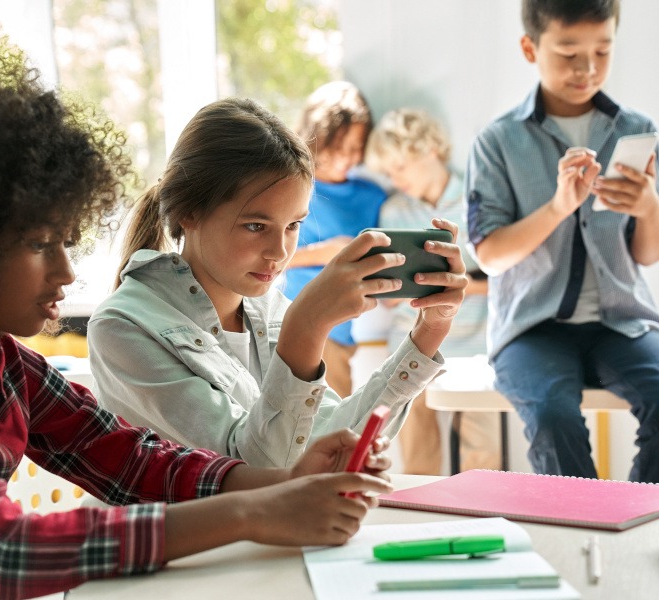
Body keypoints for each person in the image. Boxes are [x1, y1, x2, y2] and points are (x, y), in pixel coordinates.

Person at [0, 29, 398, 599]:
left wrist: (283, 484)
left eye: (67, 241)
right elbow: (5, 549)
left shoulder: (7, 365)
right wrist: (253, 512)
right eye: (41, 243)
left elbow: (132, 462)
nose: (67, 272)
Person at [87, 95, 470, 469]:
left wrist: (429, 331)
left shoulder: (266, 307)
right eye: (256, 226)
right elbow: (259, 473)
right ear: (189, 211)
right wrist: (306, 327)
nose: (279, 252)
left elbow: (332, 441)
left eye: (293, 226)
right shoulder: (123, 328)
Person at [466, 0, 659, 482]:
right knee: (553, 417)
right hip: (533, 327)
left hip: (623, 320)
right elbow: (488, 256)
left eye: (602, 50)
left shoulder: (638, 131)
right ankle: (581, 531)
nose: (588, 68)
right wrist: (558, 207)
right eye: (569, 52)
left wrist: (650, 208)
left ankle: (633, 529)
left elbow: (646, 255)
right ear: (530, 48)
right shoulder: (499, 141)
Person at [363, 107, 500, 474]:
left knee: (482, 449)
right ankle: (421, 515)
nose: (395, 178)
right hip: (411, 341)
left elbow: (504, 275)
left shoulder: (479, 201)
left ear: (431, 151)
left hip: (475, 346)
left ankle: (479, 517)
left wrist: (460, 286)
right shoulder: (394, 211)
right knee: (415, 445)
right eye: (388, 171)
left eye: (400, 167)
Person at [280, 81, 388, 397]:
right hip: (292, 321)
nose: (347, 157)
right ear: (317, 137)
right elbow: (268, 258)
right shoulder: (292, 186)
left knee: (331, 427)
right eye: (339, 147)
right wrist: (326, 253)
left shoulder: (372, 197)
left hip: (342, 330)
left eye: (356, 148)